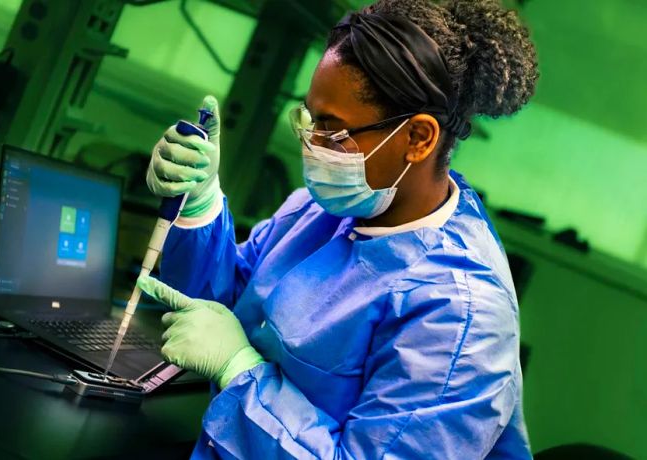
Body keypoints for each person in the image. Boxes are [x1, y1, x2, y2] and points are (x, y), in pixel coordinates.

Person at [138, 0, 539, 458]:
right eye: (311, 119)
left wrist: (240, 371)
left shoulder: (459, 316)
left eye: (332, 128)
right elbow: (220, 308)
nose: (312, 145)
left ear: (418, 138)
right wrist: (201, 204)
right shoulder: (328, 208)